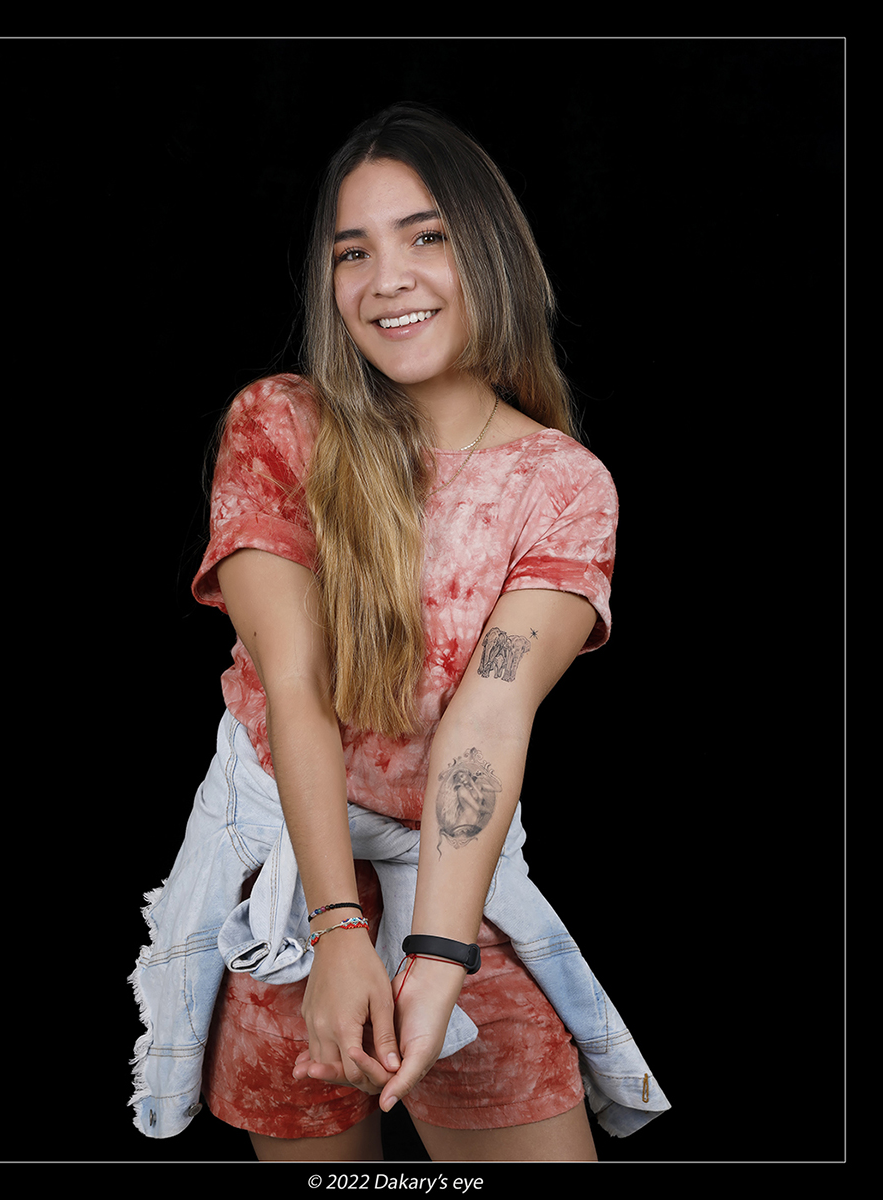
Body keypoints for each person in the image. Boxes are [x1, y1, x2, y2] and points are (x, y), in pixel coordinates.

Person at [129, 103, 666, 1162]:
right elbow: (294, 686)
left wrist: (438, 957)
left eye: (426, 237)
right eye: (353, 252)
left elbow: (487, 722)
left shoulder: (562, 486)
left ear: (490, 252)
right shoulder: (280, 423)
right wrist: (337, 933)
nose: (388, 280)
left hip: (453, 890)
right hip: (288, 894)